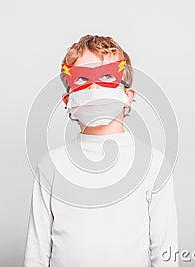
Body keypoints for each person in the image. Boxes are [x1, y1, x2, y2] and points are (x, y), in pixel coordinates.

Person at [24, 35, 179, 267]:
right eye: (82, 79)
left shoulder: (153, 164)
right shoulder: (51, 166)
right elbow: (36, 252)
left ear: (128, 96)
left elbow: (164, 250)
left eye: (107, 76)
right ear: (68, 100)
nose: (94, 88)